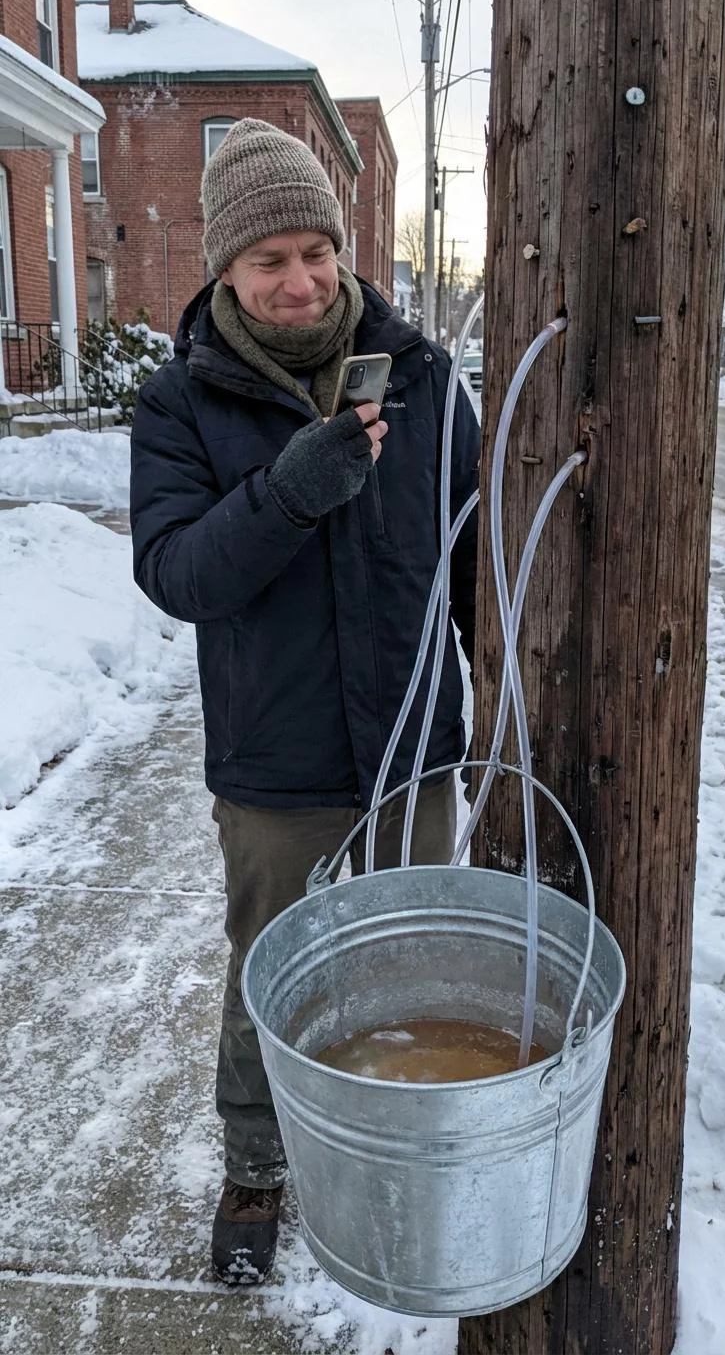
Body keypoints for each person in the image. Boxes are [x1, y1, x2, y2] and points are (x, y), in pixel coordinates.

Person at [130, 119, 480, 1286]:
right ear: (226, 269)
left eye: (314, 250)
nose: (300, 279)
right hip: (277, 767)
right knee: (270, 975)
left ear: (342, 248)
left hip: (412, 747)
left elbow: (472, 558)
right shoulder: (182, 404)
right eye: (269, 257)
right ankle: (259, 1164)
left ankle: (401, 1140)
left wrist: (491, 712)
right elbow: (177, 571)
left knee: (415, 963)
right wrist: (288, 492)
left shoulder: (425, 380)